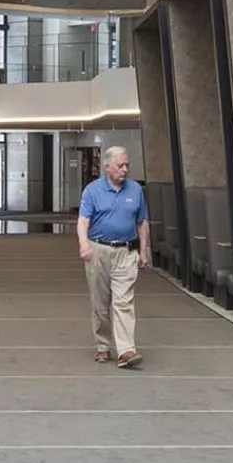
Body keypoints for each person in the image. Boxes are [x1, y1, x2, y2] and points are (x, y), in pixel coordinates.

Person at [78, 144, 149, 368]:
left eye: (127, 165)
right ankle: (103, 346)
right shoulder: (92, 191)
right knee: (100, 303)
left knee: (124, 301)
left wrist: (144, 250)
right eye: (120, 165)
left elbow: (142, 222)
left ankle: (126, 350)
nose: (125, 169)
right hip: (98, 250)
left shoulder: (135, 190)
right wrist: (84, 245)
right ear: (107, 166)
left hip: (126, 252)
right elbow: (83, 221)